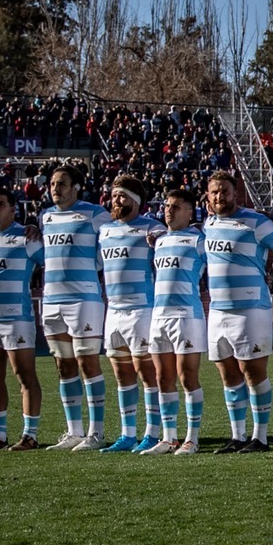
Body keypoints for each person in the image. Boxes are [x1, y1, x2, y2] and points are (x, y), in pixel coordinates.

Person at [202, 171, 273, 452]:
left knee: (253, 372)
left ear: (234, 193)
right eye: (215, 192)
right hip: (217, 310)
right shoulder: (208, 224)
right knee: (228, 375)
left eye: (225, 191)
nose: (220, 196)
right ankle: (237, 436)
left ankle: (260, 438)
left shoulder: (255, 222)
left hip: (251, 309)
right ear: (208, 196)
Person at [37, 163, 112, 450]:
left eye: (62, 183)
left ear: (76, 187)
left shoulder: (95, 214)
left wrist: (94, 266)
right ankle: (74, 432)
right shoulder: (45, 217)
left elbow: (108, 247)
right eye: (53, 184)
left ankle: (97, 432)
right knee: (63, 366)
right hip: (52, 299)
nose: (55, 189)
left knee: (87, 363)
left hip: (84, 299)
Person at [0, 187, 45, 451]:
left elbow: (50, 262)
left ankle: (30, 434)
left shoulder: (27, 237)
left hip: (17, 318)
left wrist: (36, 228)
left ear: (13, 209)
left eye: (1, 204)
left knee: (24, 375)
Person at [96, 177, 165, 451]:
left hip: (141, 310)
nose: (116, 201)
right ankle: (127, 435)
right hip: (113, 310)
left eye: (122, 197)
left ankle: (152, 432)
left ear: (136, 201)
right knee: (122, 375)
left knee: (147, 374)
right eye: (114, 196)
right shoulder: (104, 230)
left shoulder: (153, 228)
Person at [143, 186, 208, 454]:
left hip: (186, 316)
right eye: (167, 206)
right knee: (162, 377)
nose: (169, 210)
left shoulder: (199, 240)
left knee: (187, 376)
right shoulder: (158, 240)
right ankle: (169, 438)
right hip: (159, 315)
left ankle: (192, 438)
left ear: (189, 212)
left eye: (176, 207)